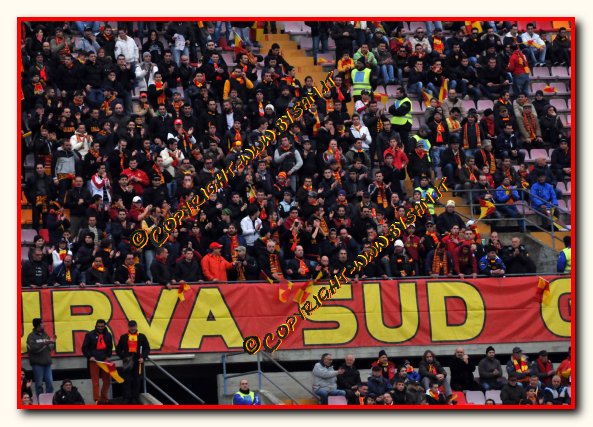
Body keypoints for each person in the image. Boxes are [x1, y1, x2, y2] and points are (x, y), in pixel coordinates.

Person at [116, 320, 150, 404]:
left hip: (138, 361)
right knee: (126, 380)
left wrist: (143, 357)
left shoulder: (142, 336)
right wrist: (124, 357)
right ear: (128, 327)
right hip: (127, 361)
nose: (132, 328)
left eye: (134, 326)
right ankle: (126, 398)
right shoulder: (124, 337)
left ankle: (135, 398)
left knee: (137, 380)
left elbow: (147, 348)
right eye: (131, 326)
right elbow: (118, 349)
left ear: (136, 326)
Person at [81, 319, 114, 404]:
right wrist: (90, 356)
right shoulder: (89, 335)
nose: (100, 328)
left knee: (107, 380)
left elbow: (110, 347)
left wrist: (108, 356)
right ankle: (97, 400)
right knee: (95, 381)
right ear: (96, 326)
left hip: (104, 360)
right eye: (98, 326)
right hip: (94, 360)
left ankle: (104, 398)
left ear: (104, 326)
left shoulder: (108, 335)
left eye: (102, 326)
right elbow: (84, 348)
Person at [26, 318, 55, 397]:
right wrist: (45, 343)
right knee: (39, 384)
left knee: (50, 382)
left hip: (47, 363)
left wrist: (52, 343)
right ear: (38, 325)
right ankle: (40, 400)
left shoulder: (45, 334)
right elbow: (32, 348)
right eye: (42, 323)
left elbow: (50, 348)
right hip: (37, 364)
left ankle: (49, 400)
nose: (44, 324)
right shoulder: (31, 336)